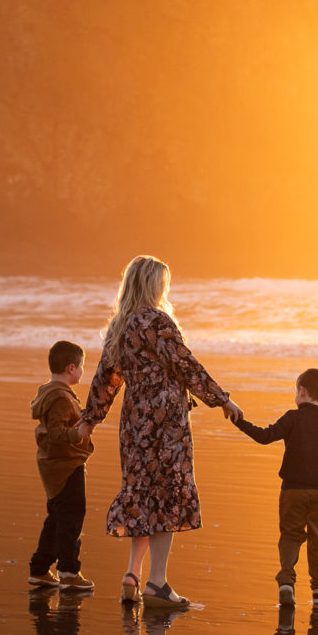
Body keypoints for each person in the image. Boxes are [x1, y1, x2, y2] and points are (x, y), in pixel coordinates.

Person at [78, 256, 240, 608]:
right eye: (163, 284)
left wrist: (91, 418)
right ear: (153, 286)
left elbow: (107, 378)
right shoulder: (158, 321)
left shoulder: (120, 326)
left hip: (135, 421)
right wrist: (221, 400)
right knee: (168, 495)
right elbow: (185, 365)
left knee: (141, 492)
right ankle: (157, 582)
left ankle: (132, 573)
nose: (166, 290)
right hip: (166, 422)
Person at [229, 367, 318, 609]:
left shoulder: (292, 419)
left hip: (292, 490)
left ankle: (286, 581)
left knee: (290, 535)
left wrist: (239, 422)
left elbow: (264, 436)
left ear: (302, 392)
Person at [29, 339, 94, 591]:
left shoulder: (52, 392)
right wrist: (78, 434)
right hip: (65, 465)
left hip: (56, 465)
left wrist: (84, 418)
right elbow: (57, 432)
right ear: (70, 368)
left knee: (57, 517)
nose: (81, 371)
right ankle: (68, 570)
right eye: (81, 367)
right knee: (71, 517)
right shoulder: (58, 396)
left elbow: (64, 422)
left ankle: (40, 569)